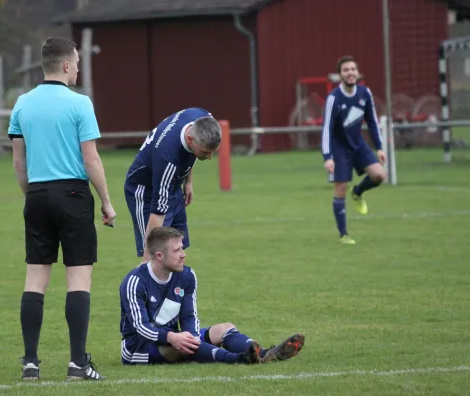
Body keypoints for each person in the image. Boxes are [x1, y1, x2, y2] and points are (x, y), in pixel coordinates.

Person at [8, 37, 116, 381]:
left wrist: (32, 194)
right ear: (67, 65)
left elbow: (18, 162)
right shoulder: (80, 103)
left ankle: (30, 364)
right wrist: (107, 202)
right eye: (78, 62)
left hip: (36, 195)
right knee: (78, 277)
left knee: (35, 279)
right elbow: (91, 158)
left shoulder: (22, 104)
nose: (79, 68)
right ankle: (77, 365)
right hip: (72, 194)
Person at [118, 226, 305, 366]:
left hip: (175, 337)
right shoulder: (135, 282)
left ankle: (262, 353)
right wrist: (173, 338)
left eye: (182, 248)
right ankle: (239, 360)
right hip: (140, 348)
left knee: (225, 328)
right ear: (159, 256)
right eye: (177, 251)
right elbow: (140, 328)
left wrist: (190, 336)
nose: (183, 255)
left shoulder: (186, 275)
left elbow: (189, 316)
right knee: (179, 346)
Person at [125, 108, 222, 262]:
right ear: (190, 140)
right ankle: (139, 283)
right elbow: (158, 211)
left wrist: (188, 181)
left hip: (172, 184)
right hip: (146, 191)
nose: (209, 157)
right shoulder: (168, 158)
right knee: (156, 257)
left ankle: (175, 287)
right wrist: (148, 256)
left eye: (213, 152)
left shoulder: (203, 117)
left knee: (176, 251)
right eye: (205, 152)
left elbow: (190, 154)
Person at [321, 55, 387, 244]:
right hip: (339, 148)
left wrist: (380, 147)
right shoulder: (334, 98)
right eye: (346, 70)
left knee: (379, 175)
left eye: (352, 69)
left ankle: (357, 192)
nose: (350, 73)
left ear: (357, 73)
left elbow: (373, 122)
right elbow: (326, 128)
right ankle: (344, 235)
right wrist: (328, 156)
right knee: (340, 188)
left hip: (358, 145)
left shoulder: (365, 93)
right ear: (340, 75)